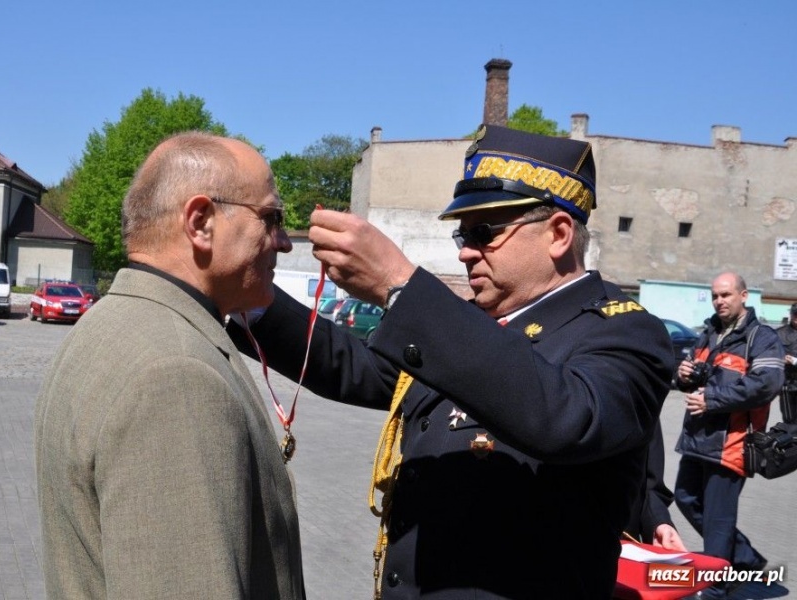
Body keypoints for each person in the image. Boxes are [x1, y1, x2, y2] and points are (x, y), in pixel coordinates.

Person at [227, 124, 675, 599]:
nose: (464, 251)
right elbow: (357, 366)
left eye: (484, 233)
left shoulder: (624, 331)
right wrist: (249, 296)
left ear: (559, 234)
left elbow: (565, 419)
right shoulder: (468, 326)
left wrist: (401, 285)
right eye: (463, 233)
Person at [34, 131, 305, 599]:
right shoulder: (176, 375)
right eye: (271, 217)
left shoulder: (114, 323)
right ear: (201, 223)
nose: (283, 243)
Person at [673, 272, 784, 599]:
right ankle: (746, 559)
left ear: (744, 295)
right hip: (696, 438)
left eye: (726, 295)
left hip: (731, 443)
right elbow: (694, 376)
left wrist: (712, 399)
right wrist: (683, 376)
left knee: (719, 519)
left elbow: (767, 384)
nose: (720, 301)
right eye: (715, 296)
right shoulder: (708, 332)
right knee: (685, 497)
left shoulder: (761, 337)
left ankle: (715, 586)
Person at [626, 422, 687, 551]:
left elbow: (650, 484)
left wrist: (659, 522)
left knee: (684, 571)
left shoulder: (639, 403)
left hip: (623, 550)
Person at [776, 303, 797, 423]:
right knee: (789, 421)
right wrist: (780, 359)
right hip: (787, 385)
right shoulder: (778, 333)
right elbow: (770, 355)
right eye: (795, 314)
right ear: (791, 314)